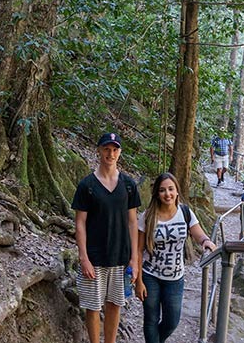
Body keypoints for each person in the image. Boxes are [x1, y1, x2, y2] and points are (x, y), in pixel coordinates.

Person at [73, 132, 141, 343]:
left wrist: (134, 259)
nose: (110, 154)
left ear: (119, 152)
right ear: (99, 151)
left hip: (120, 257)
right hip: (94, 256)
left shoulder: (129, 185)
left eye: (115, 149)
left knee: (114, 303)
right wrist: (83, 257)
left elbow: (133, 222)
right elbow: (80, 222)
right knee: (93, 306)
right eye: (106, 149)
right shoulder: (87, 185)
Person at [135, 172, 217, 343]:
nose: (167, 194)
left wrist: (206, 241)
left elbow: (198, 233)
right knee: (151, 319)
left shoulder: (185, 212)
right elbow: (138, 250)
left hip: (175, 277)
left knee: (172, 321)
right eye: (162, 190)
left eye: (171, 189)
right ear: (157, 193)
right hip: (150, 275)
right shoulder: (148, 216)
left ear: (177, 191)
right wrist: (139, 281)